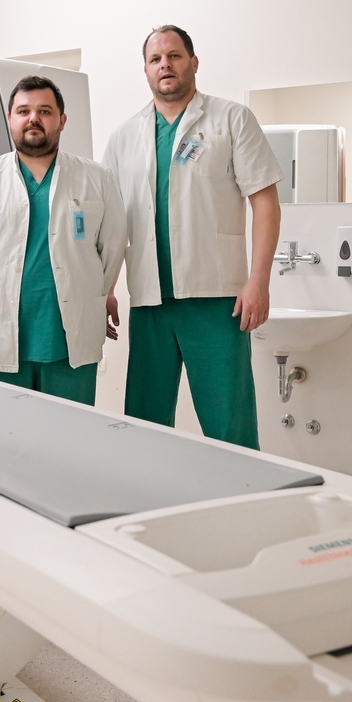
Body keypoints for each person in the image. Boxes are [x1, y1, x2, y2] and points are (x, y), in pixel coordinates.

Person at [103, 25, 283, 448]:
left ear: (193, 62)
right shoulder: (124, 136)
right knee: (144, 421)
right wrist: (106, 287)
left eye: (174, 56)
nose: (165, 65)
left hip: (216, 299)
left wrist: (259, 281)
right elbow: (111, 221)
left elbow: (265, 203)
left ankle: (243, 488)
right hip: (150, 300)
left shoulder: (231, 119)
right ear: (146, 71)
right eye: (155, 59)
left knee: (229, 421)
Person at [0, 75, 127, 404]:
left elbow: (112, 247)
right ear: (10, 119)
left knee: (69, 431)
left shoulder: (97, 178)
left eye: (45, 111)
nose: (33, 118)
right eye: (24, 111)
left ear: (62, 120)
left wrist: (94, 299)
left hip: (70, 344)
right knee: (0, 431)